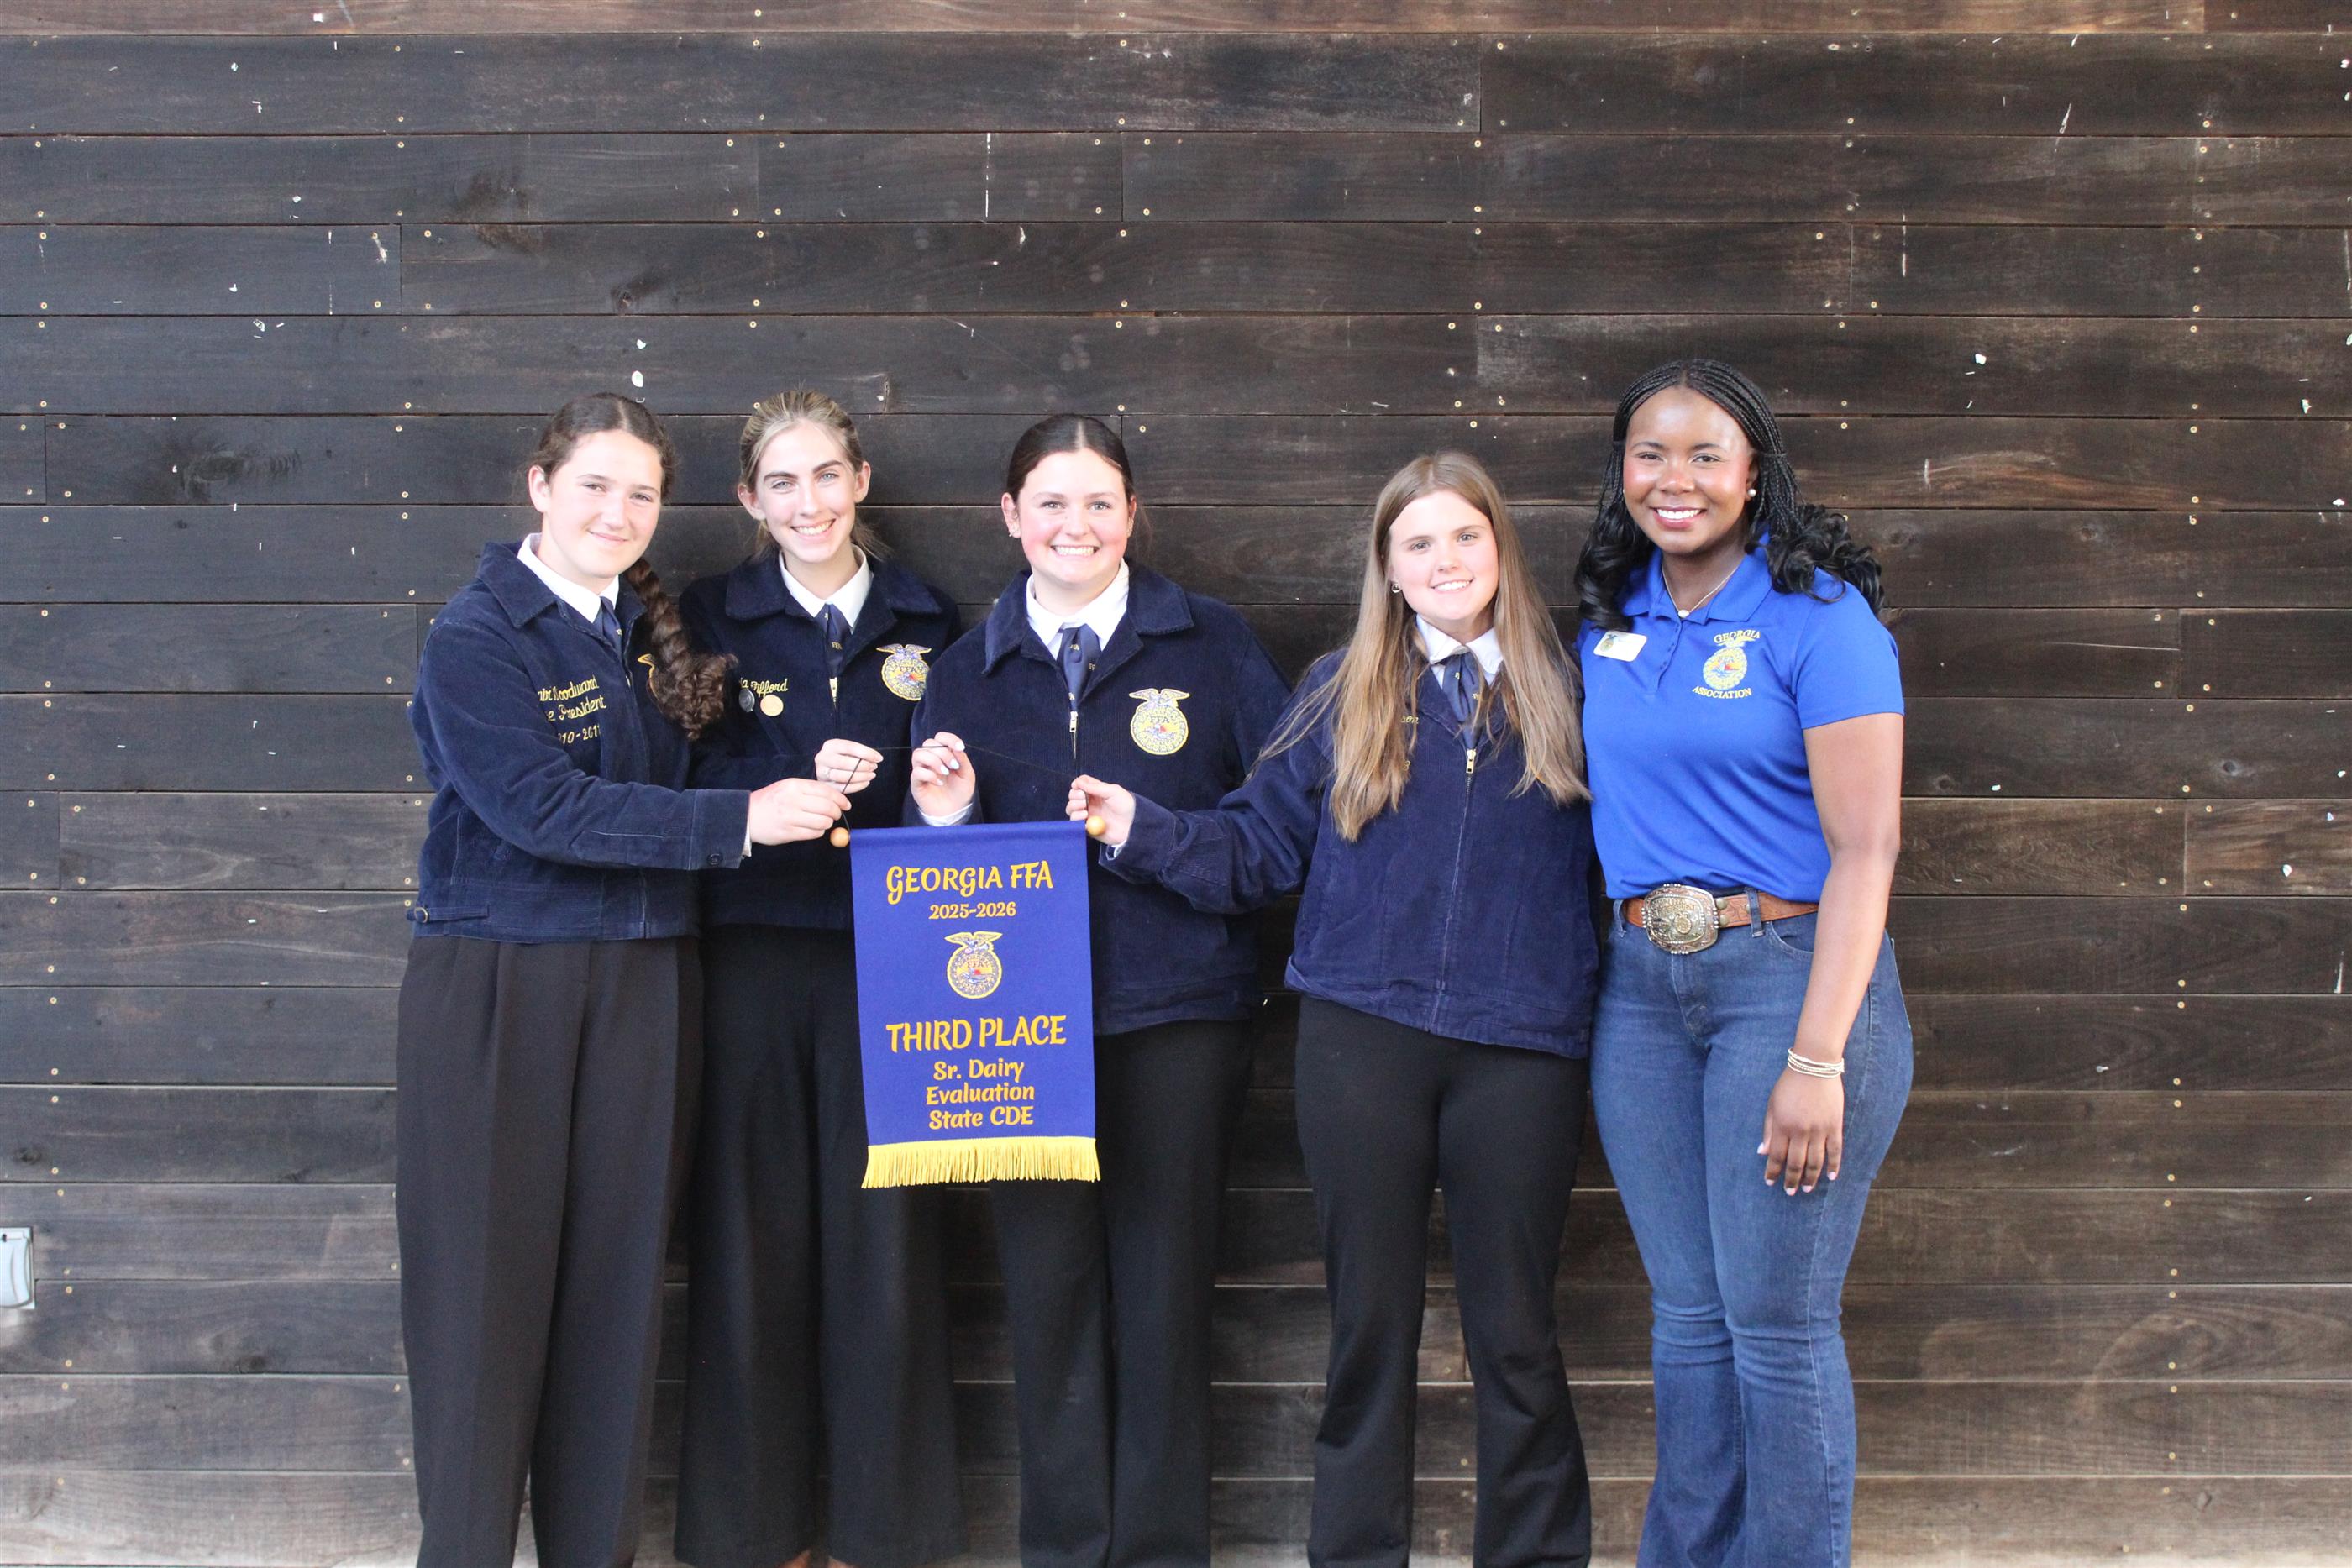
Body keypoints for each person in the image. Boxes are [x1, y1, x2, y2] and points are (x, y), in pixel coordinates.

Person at [1069, 452, 1602, 1568]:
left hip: (1522, 1049)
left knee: (1516, 1333)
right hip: (1363, 1042)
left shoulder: (1576, 687)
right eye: (1419, 543)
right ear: (1388, 568)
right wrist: (1139, 828)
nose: (1446, 560)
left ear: (1501, 549)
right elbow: (1257, 848)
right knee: (1371, 1329)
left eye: (1466, 535)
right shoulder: (1340, 687)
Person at [397, 392, 848, 1568]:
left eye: (641, 493)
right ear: (539, 487)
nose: (617, 511)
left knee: (617, 1291)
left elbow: (684, 783)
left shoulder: (646, 634)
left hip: (648, 981)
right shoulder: (478, 633)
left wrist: (797, 787)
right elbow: (539, 809)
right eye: (594, 485)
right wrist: (739, 824)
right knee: (485, 1301)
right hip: (506, 982)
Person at [906, 412, 1292, 1568]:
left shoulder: (1212, 646)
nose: (1075, 526)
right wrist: (946, 821)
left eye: (1099, 504)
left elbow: (1280, 839)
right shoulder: (964, 672)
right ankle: (1068, 1550)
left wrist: (1146, 833)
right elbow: (932, 899)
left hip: (1177, 1021)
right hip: (1016, 1041)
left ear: (1133, 516)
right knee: (1049, 1301)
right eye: (1051, 503)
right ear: (1010, 516)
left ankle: (1163, 1552)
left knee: (1165, 1300)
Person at [1574, 359, 1910, 1568]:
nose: (1676, 480)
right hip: (1641, 996)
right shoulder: (1610, 619)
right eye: (1650, 454)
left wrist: (1818, 1059)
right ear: (1622, 473)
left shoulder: (1821, 620)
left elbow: (1867, 849)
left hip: (1787, 979)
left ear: (1755, 473)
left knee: (1774, 1325)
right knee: (1689, 1322)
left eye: (1706, 455)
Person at [673, 390, 966, 1568]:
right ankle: (759, 1539)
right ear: (751, 499)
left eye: (828, 475)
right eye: (783, 483)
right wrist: (781, 779)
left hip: (887, 961)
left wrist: (926, 788)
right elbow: (677, 770)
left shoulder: (928, 616)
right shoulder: (705, 615)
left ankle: (880, 1538)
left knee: (886, 1243)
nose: (810, 502)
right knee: (749, 1244)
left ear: (861, 481)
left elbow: (966, 782)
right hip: (749, 954)